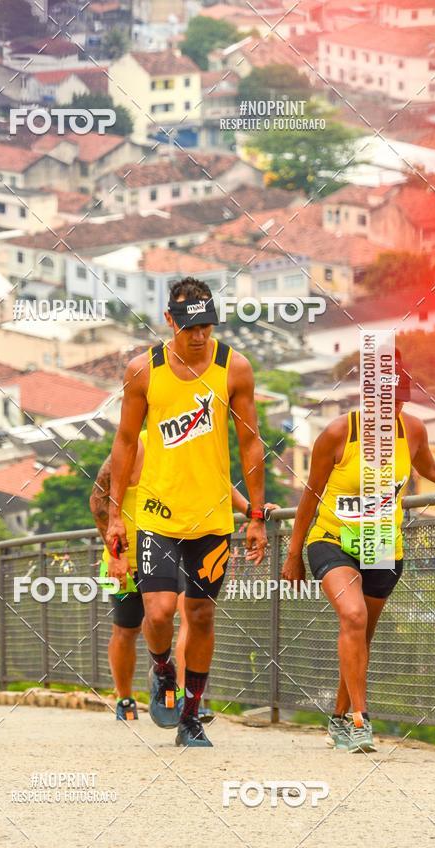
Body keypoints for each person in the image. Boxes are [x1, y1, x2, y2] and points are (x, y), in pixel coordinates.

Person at [106, 277, 268, 747]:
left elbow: (250, 442)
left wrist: (256, 514)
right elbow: (125, 441)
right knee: (157, 614)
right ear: (169, 321)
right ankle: (162, 670)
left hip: (212, 518)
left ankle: (191, 717)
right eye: (190, 327)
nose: (199, 336)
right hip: (158, 515)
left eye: (207, 326)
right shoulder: (143, 370)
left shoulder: (234, 368)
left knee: (200, 616)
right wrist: (115, 515)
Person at [282, 349, 435, 752]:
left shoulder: (412, 430)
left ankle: (338, 719)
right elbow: (310, 495)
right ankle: (360, 721)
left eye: (399, 400)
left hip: (382, 544)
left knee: (360, 635)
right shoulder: (338, 433)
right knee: (353, 615)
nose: (392, 409)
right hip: (332, 539)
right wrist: (294, 553)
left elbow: (431, 470)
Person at [90, 432, 273, 721]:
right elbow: (98, 502)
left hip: (168, 552)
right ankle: (125, 698)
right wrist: (115, 554)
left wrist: (252, 510)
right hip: (125, 556)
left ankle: (186, 699)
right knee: (126, 629)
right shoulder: (136, 446)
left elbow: (218, 483)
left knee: (189, 615)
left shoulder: (188, 444)